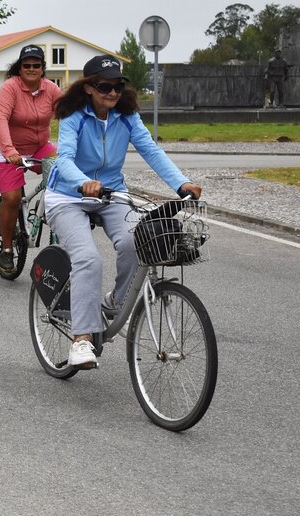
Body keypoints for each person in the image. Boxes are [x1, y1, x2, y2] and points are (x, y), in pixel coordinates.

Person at [45, 56, 202, 370]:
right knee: (88, 259)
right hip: (68, 195)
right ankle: (82, 340)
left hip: (112, 193)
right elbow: (64, 159)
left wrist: (181, 182)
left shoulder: (126, 115)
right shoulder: (74, 116)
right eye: (105, 86)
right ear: (88, 88)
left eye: (118, 86)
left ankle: (115, 302)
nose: (113, 92)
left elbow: (150, 150)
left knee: (137, 243)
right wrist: (83, 182)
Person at [0, 45, 62, 270]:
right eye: (26, 65)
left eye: (36, 65)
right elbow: (1, 120)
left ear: (43, 68)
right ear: (19, 68)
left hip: (39, 147)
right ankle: (7, 248)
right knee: (11, 198)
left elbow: (69, 116)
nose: (31, 69)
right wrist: (10, 151)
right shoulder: (9, 88)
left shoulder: (51, 89)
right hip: (6, 149)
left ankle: (53, 216)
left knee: (65, 177)